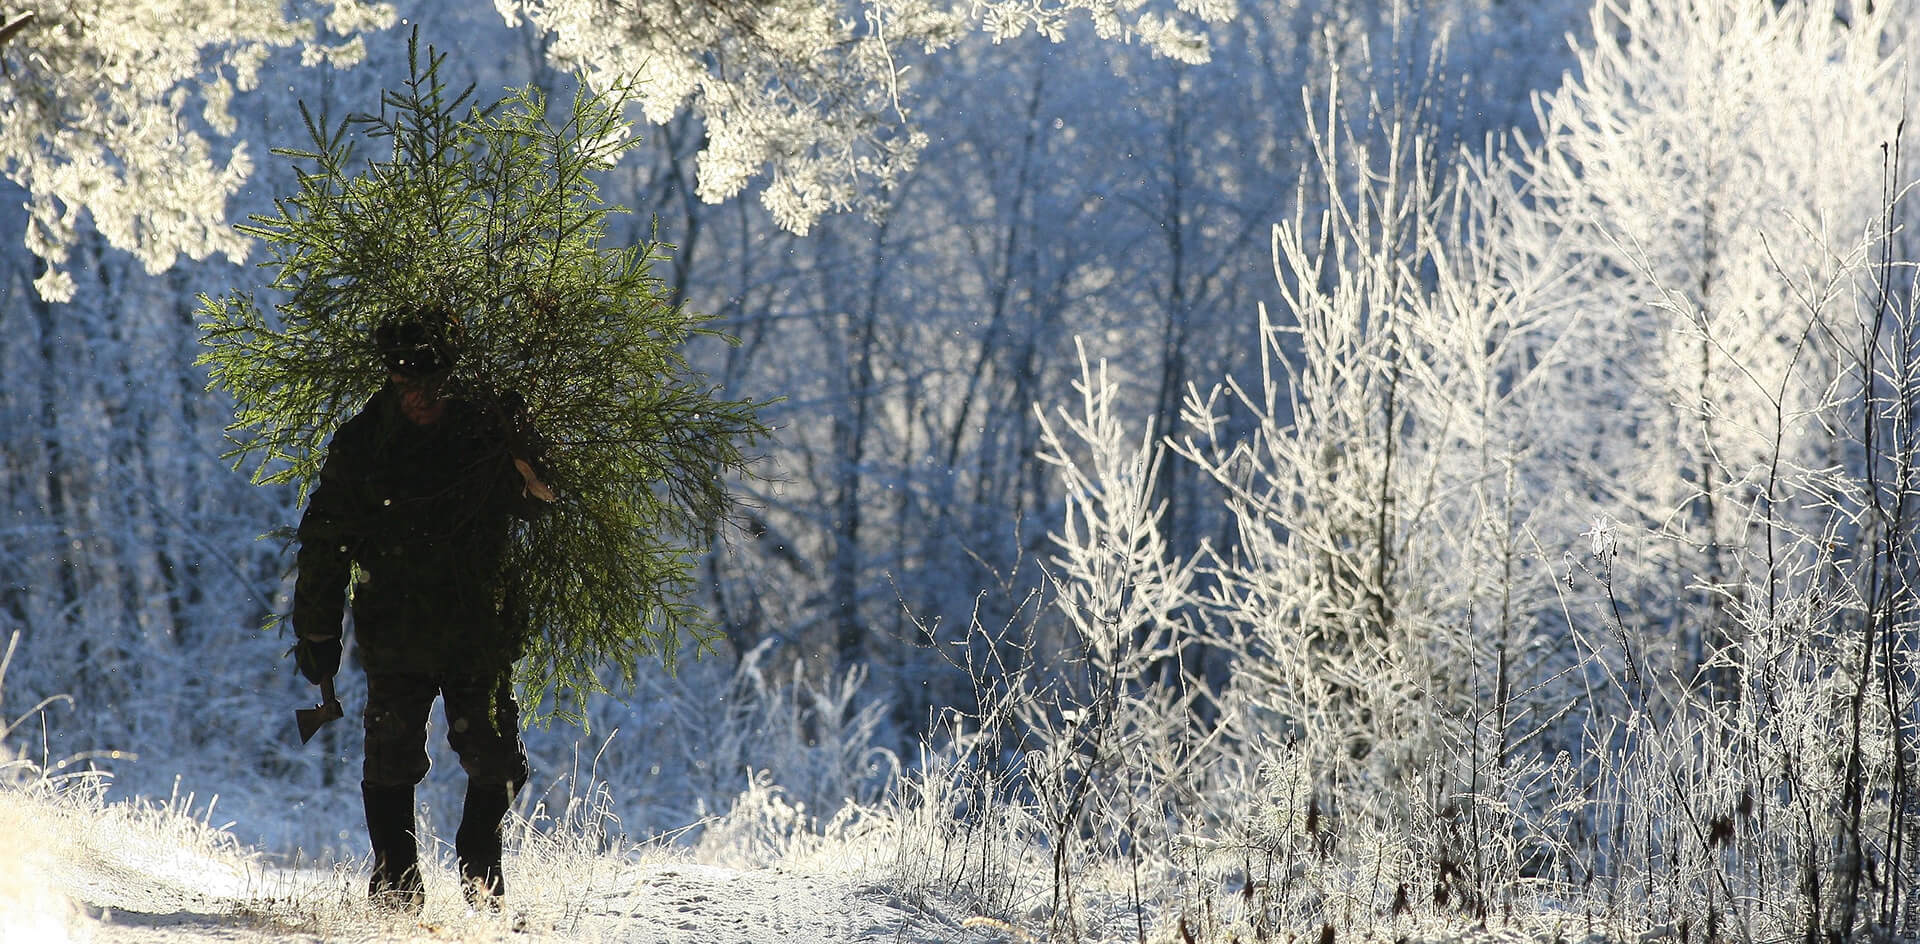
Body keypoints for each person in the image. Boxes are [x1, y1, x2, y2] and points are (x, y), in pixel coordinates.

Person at [291, 308, 555, 912]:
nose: (421, 399)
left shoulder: (485, 435)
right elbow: (325, 543)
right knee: (389, 756)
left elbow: (542, 500)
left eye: (432, 386)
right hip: (396, 629)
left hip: (477, 627)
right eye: (408, 386)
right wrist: (317, 635)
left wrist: (524, 444)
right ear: (391, 380)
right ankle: (396, 882)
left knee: (495, 755)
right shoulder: (363, 444)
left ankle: (479, 856)